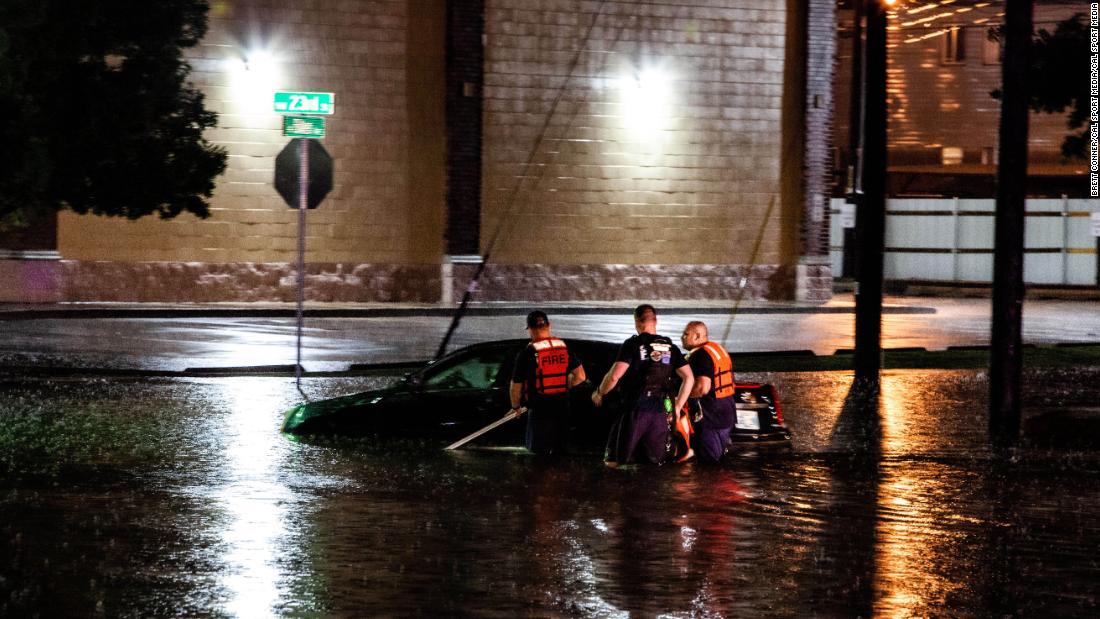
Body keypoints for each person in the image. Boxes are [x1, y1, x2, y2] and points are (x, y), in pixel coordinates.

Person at [592, 304, 694, 465]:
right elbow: (689, 378)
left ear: (637, 322)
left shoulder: (632, 345)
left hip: (635, 410)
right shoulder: (670, 347)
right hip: (660, 412)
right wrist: (678, 405)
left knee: (616, 462)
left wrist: (599, 393)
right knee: (655, 464)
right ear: (655, 321)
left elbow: (614, 377)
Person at [510, 310, 586, 455]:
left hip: (539, 410)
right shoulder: (563, 347)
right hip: (562, 408)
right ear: (549, 325)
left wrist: (515, 407)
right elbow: (581, 376)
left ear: (530, 329)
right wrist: (563, 383)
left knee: (538, 457)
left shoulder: (528, 353)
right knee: (559, 454)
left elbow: (516, 387)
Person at [679, 320, 737, 463]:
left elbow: (702, 387)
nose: (682, 337)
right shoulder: (717, 350)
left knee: (708, 461)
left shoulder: (700, 355)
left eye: (686, 334)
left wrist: (680, 397)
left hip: (711, 415)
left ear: (697, 336)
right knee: (717, 456)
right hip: (726, 411)